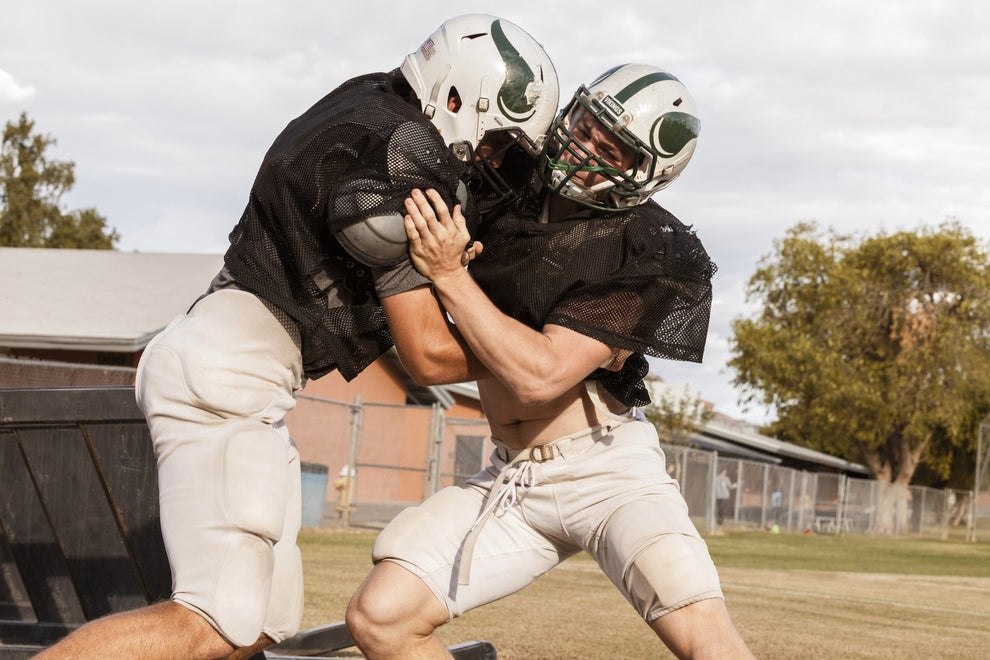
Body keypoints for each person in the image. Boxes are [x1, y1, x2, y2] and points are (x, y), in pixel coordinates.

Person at [35, 15, 558, 660]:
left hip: (246, 370)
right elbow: (424, 355)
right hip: (231, 370)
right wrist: (544, 354)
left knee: (261, 630)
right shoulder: (401, 157)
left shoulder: (372, 106)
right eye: (497, 141)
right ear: (455, 98)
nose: (493, 161)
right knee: (214, 619)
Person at [347, 64, 755, 659]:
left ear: (645, 175)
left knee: (706, 643)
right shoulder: (504, 188)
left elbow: (540, 377)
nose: (585, 147)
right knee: (380, 617)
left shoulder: (647, 246)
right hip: (513, 477)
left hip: (609, 474)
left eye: (612, 147)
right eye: (588, 125)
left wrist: (450, 273)